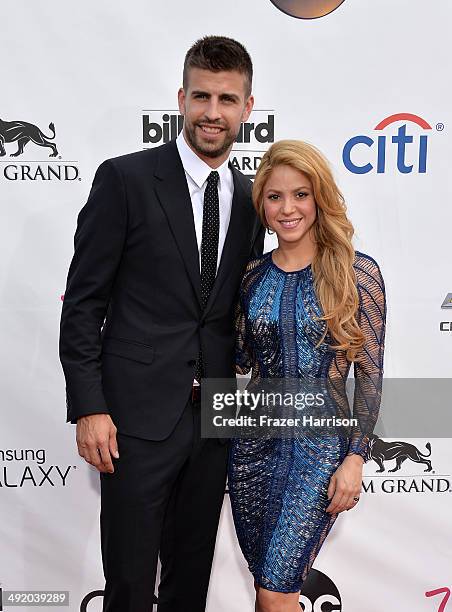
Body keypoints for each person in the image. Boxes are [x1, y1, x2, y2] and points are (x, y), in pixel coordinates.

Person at [59, 36, 265, 612]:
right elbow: (82, 303)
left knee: (191, 573)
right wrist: (89, 406)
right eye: (202, 96)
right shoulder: (124, 180)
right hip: (133, 419)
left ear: (248, 107)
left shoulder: (253, 200)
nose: (212, 113)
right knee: (127, 579)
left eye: (227, 99)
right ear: (181, 98)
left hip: (215, 418)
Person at [228, 140, 386, 612]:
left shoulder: (358, 274)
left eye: (300, 194)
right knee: (268, 592)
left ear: (319, 197)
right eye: (274, 197)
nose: (288, 208)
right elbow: (237, 361)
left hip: (320, 454)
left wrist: (356, 457)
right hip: (252, 451)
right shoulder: (251, 276)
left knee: (277, 592)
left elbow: (371, 377)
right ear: (262, 206)